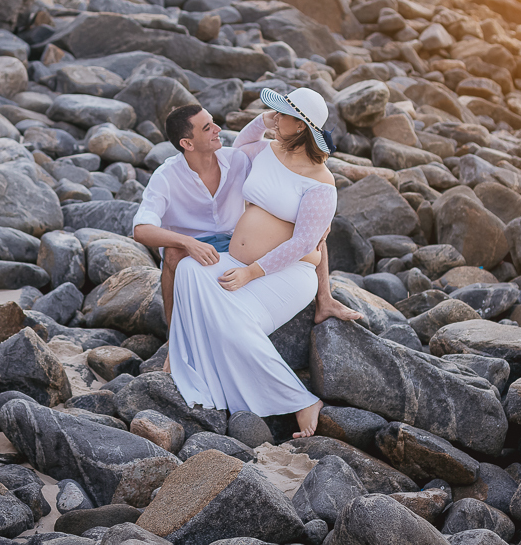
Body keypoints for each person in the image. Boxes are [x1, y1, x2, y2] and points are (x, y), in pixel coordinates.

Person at [167, 87, 343, 438]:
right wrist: (264, 120)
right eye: (274, 111)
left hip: (287, 275)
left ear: (302, 126)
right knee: (188, 268)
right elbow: (240, 146)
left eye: (283, 114)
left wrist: (251, 272)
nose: (276, 117)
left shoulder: (322, 182)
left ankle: (301, 401)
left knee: (234, 325)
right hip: (238, 260)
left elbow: (304, 244)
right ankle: (191, 358)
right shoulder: (267, 150)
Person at [131, 104, 359, 327]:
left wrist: (324, 218)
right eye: (207, 128)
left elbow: (286, 176)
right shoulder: (166, 177)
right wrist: (187, 242)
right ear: (187, 143)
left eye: (213, 122)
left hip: (232, 242)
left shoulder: (237, 160)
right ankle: (174, 332)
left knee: (312, 230)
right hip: (196, 246)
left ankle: (324, 298)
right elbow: (141, 230)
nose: (218, 129)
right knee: (173, 254)